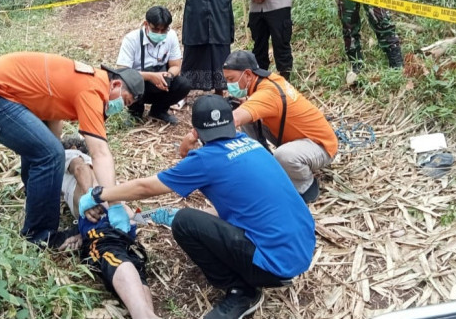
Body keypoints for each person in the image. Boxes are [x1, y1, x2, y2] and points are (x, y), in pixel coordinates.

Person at [82, 95, 316, 319]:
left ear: (195, 131)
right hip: (302, 248)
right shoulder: (250, 144)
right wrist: (187, 151)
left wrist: (100, 194)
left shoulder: (206, 160)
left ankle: (242, 290)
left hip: (274, 265)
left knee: (184, 222)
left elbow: (145, 187)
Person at [0, 52, 145, 246]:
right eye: (125, 102)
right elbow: (99, 152)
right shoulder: (93, 91)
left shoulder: (87, 80)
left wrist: (46, 181)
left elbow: (52, 116)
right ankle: (40, 236)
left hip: (2, 91)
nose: (121, 108)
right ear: (116, 85)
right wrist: (115, 203)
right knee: (50, 154)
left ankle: (35, 200)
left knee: (46, 150)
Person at [59, 137, 161, 319]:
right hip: (123, 221)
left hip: (100, 216)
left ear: (74, 147)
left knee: (108, 250)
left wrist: (89, 197)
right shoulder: (103, 174)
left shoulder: (71, 155)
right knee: (133, 265)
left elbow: (80, 167)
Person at [221, 50, 338, 203]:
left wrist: (197, 133)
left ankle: (305, 186)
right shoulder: (268, 80)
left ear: (248, 75)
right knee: (249, 119)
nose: (229, 85)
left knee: (284, 156)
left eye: (231, 79)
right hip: (298, 139)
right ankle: (265, 163)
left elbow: (234, 119)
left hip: (321, 146)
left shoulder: (268, 93)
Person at [116, 6, 192, 125]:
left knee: (183, 84)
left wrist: (169, 75)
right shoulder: (132, 39)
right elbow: (122, 71)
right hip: (140, 84)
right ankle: (135, 113)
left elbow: (176, 65)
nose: (160, 33)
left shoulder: (171, 36)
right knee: (129, 83)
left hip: (161, 83)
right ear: (146, 24)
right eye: (155, 29)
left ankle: (159, 110)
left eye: (164, 30)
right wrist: (151, 76)